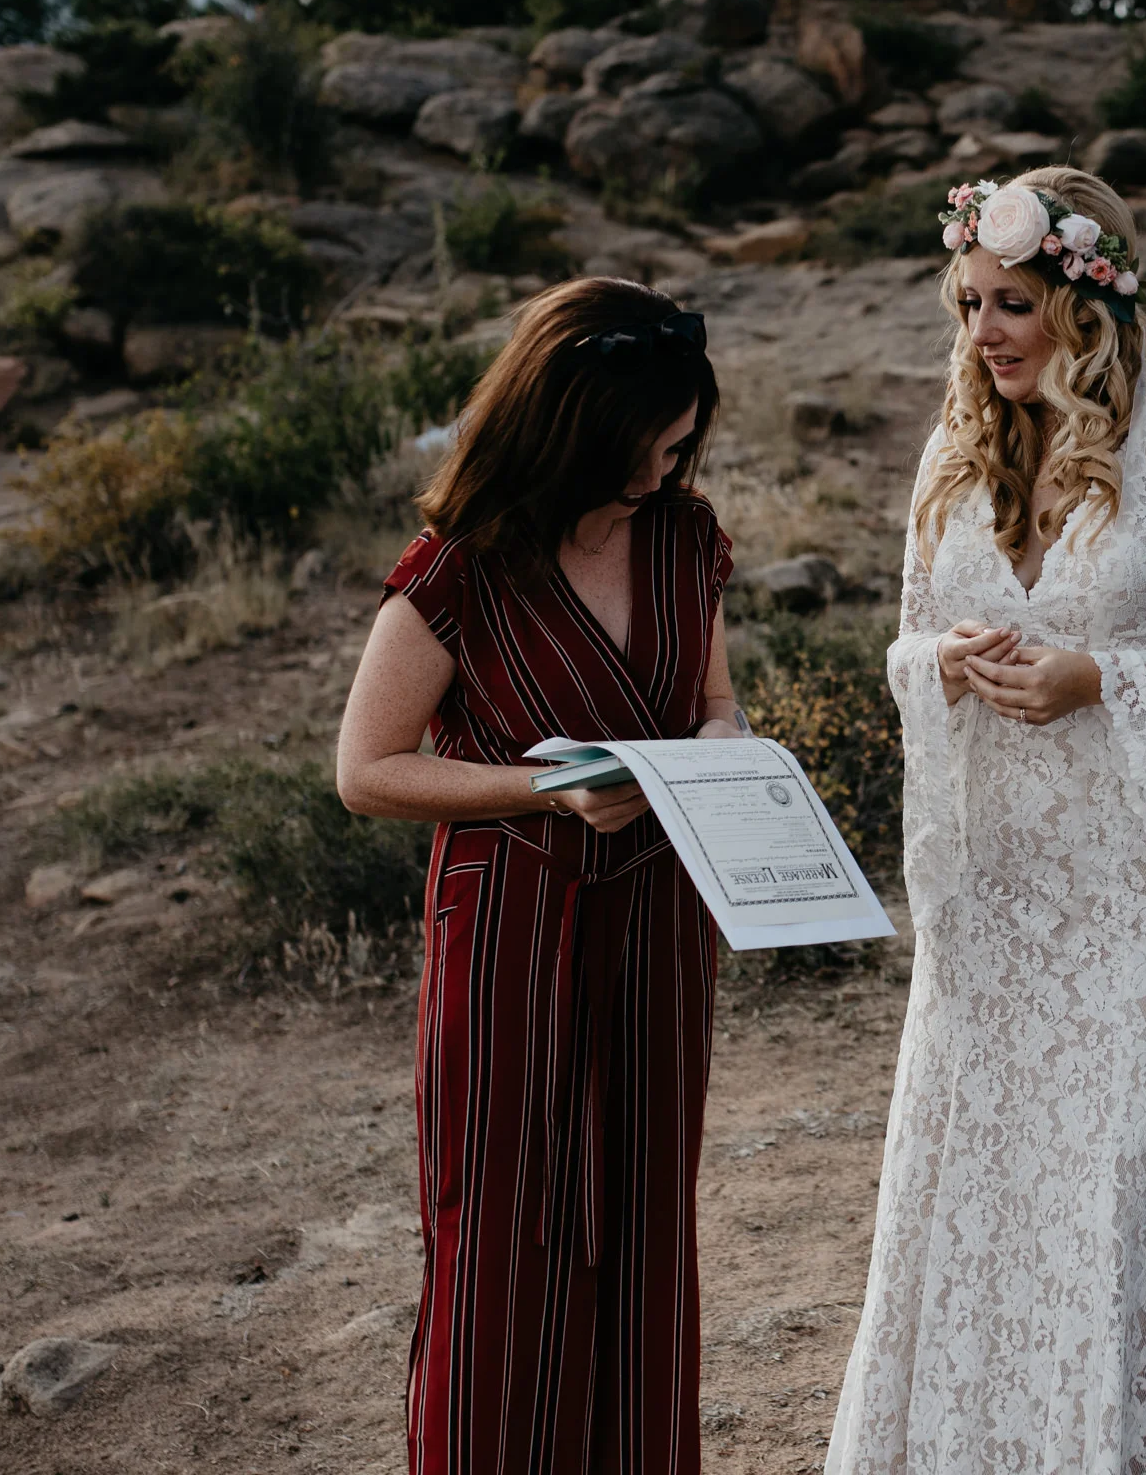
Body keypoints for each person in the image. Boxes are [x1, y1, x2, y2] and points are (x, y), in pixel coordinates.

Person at [825, 167, 1146, 1473]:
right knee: (972, 1171)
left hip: (1142, 893)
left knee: (1117, 1181)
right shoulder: (951, 451)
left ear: (1089, 302)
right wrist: (941, 662)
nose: (986, 330)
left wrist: (1109, 676)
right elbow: (908, 635)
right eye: (971, 302)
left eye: (1016, 302)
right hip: (998, 887)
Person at [335, 278, 743, 1475]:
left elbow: (714, 701)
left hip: (662, 923)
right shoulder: (458, 569)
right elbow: (365, 769)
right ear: (576, 427)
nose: (669, 467)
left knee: (647, 1223)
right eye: (652, 445)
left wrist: (723, 751)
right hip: (511, 930)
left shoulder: (684, 536)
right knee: (499, 1236)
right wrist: (539, 787)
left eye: (682, 443)